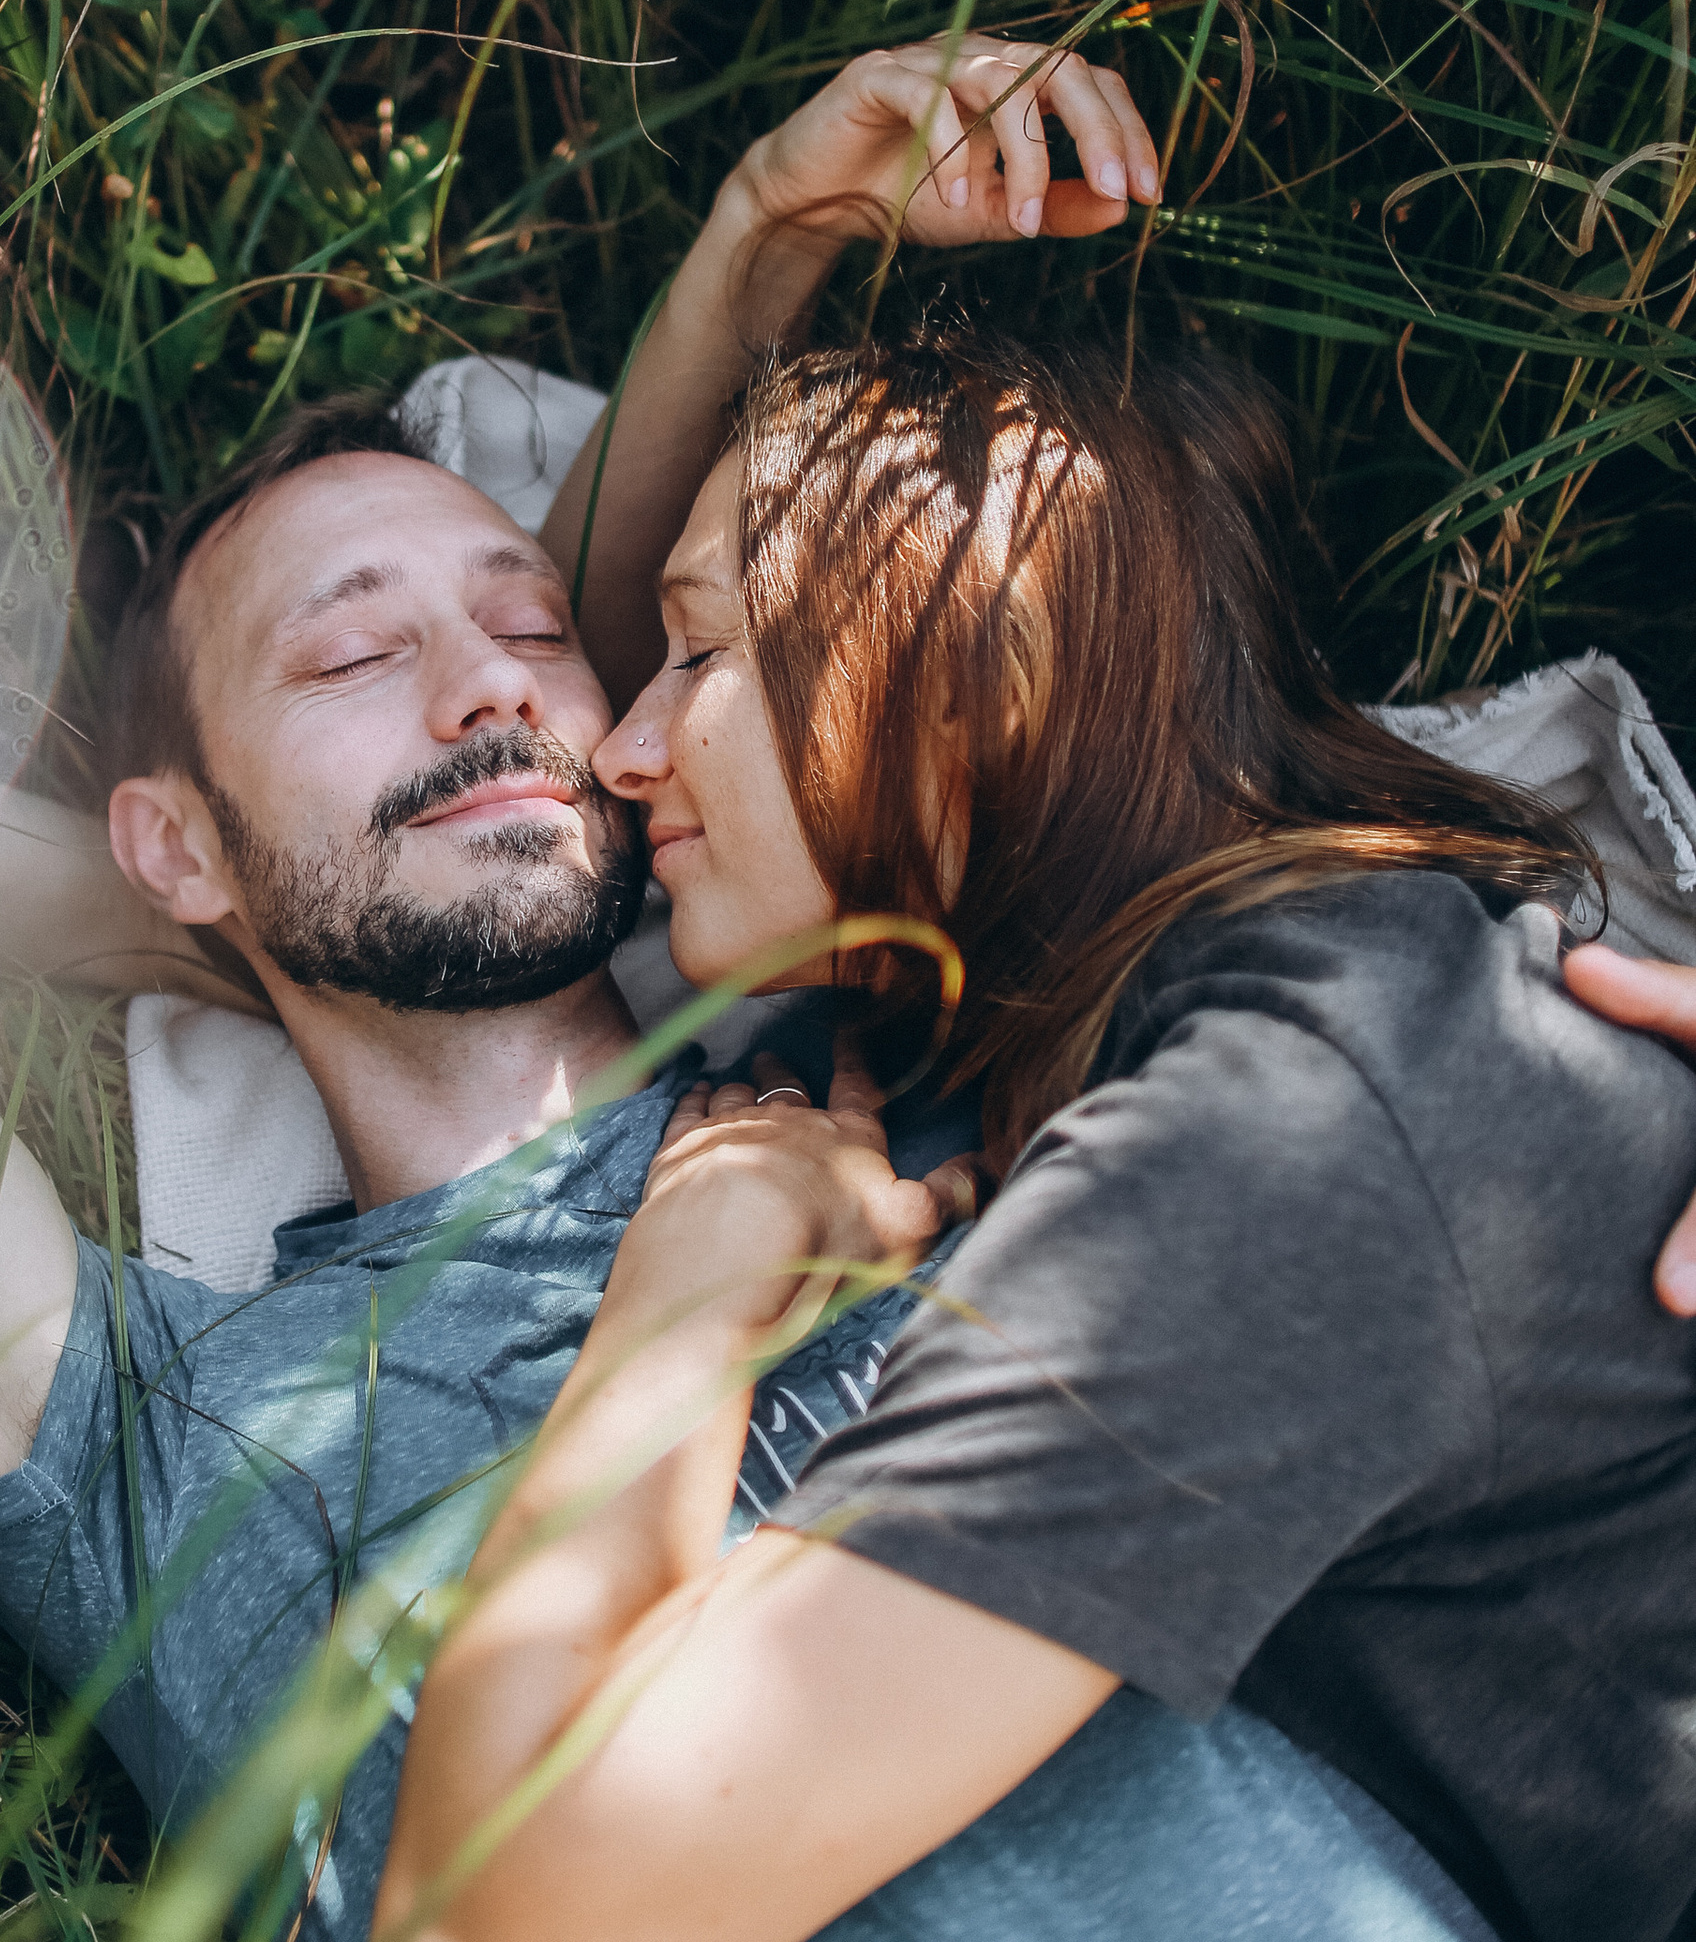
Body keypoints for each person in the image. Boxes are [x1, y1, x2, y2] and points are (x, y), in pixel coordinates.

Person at [0, 38, 1696, 1941]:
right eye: (345, 661)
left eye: (534, 629)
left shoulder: (995, 1088)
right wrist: (148, 896)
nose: (511, 684)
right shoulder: (143, 1415)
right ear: (183, 839)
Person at [374, 330, 1696, 1942]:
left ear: (990, 662)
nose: (621, 751)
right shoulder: (1094, 1027)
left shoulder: (1302, 1128)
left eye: (700, 653)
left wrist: (686, 1298)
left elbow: (510, 1907)